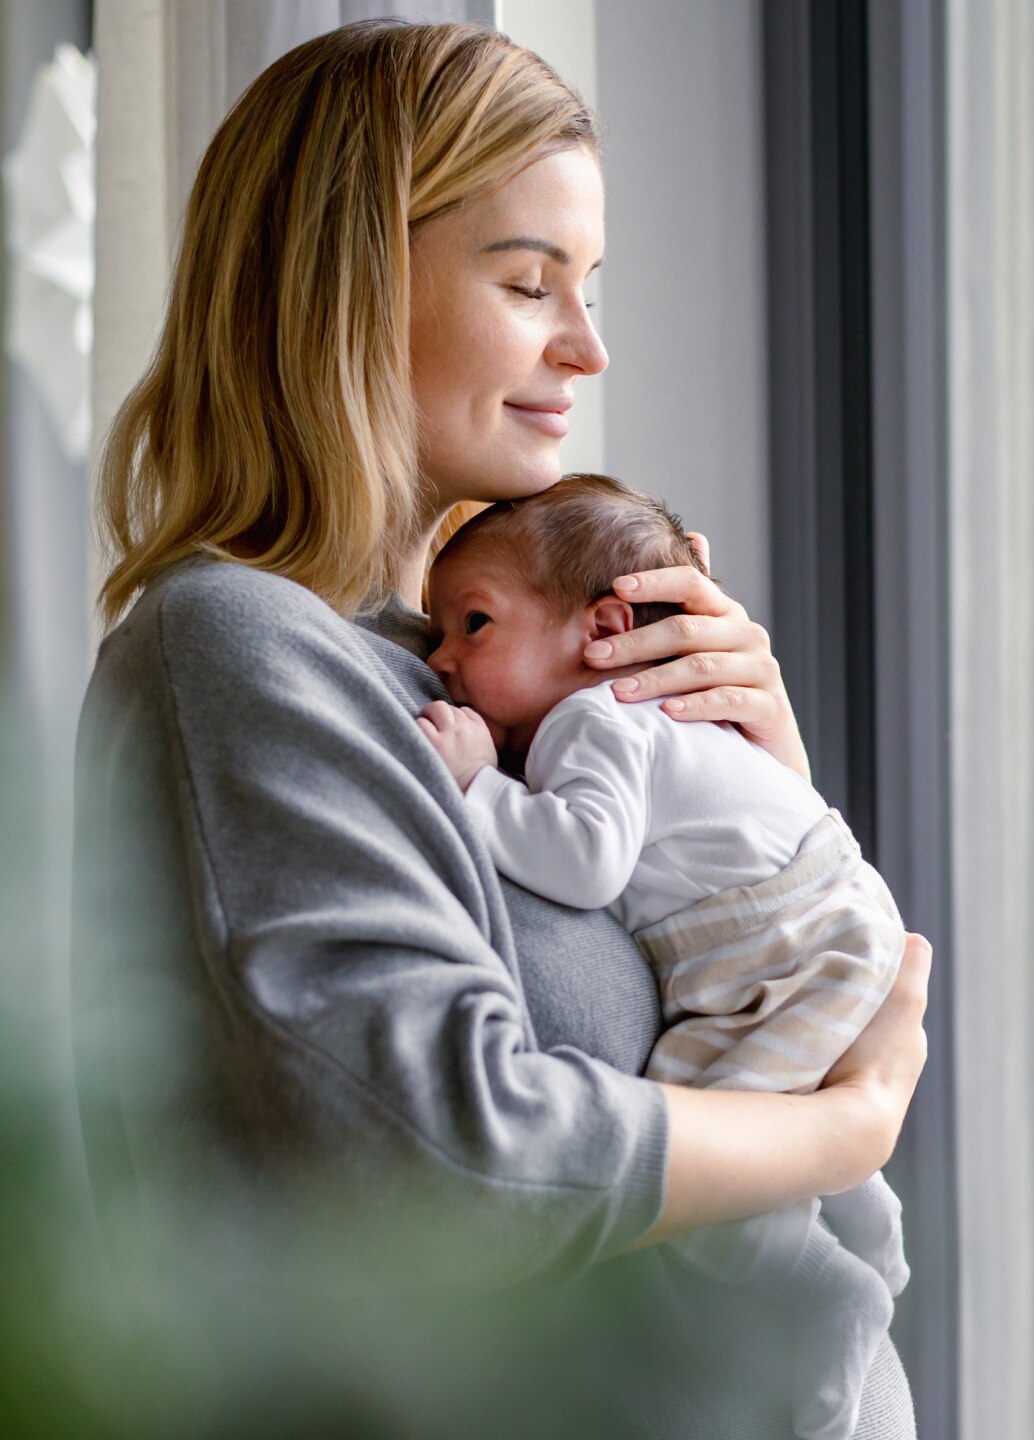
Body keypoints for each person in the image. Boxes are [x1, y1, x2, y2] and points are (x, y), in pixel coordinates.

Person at [72, 21, 929, 1438]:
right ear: (341, 288)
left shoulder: (468, 680)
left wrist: (763, 818)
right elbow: (448, 1158)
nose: (587, 347)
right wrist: (844, 1127)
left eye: (590, 287)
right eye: (532, 282)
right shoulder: (240, 651)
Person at [418, 474, 909, 1440]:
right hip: (813, 927)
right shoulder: (641, 721)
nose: (442, 661)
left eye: (473, 625)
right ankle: (870, 1242)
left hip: (784, 947)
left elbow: (585, 860)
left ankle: (827, 1303)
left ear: (604, 628)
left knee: (712, 1169)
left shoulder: (595, 718)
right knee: (789, 1119)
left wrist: (476, 784)